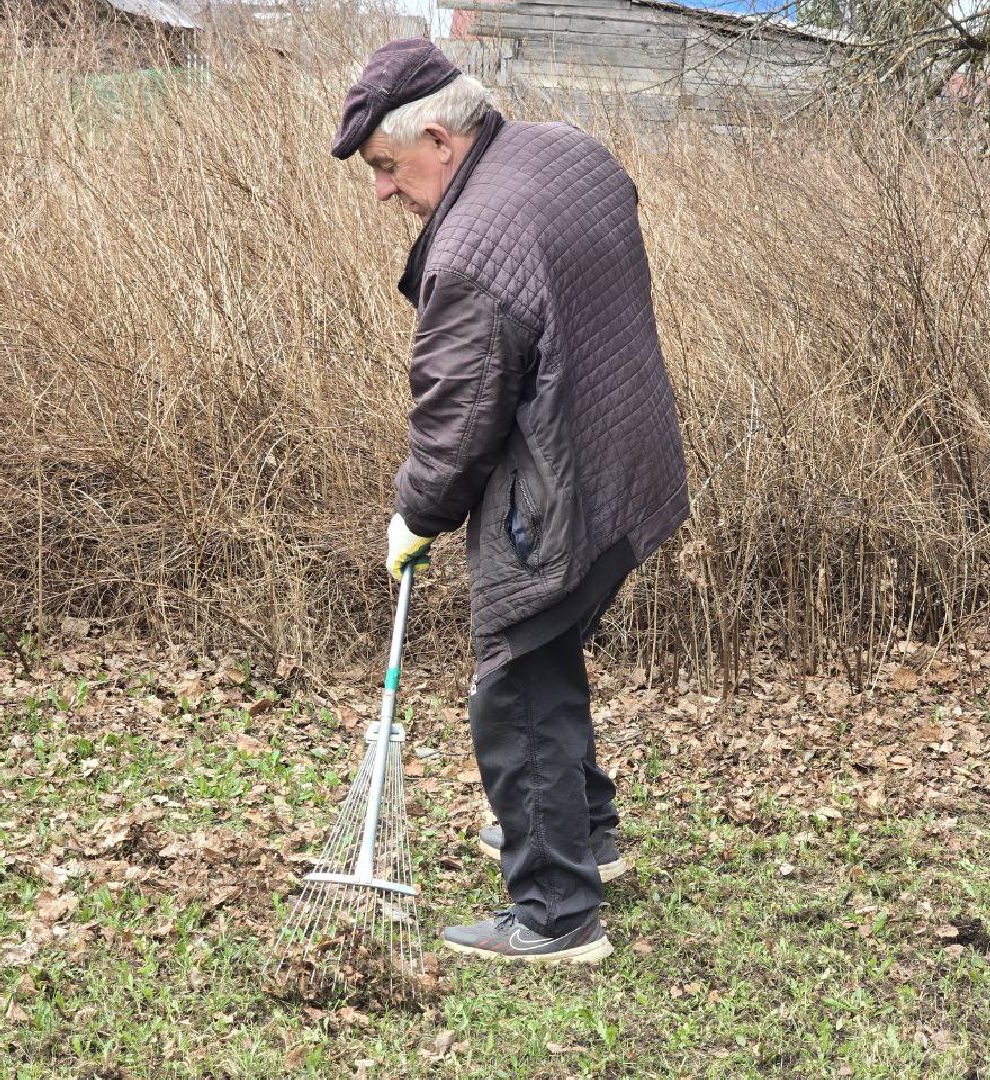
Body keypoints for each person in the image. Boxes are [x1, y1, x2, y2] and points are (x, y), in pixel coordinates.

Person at [332, 38, 689, 964]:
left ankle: (555, 913)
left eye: (384, 166)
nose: (380, 192)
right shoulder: (565, 150)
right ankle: (589, 837)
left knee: (514, 688)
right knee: (551, 644)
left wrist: (414, 516)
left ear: (441, 140)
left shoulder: (473, 252)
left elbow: (456, 418)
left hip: (566, 489)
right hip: (630, 463)